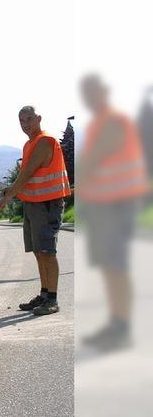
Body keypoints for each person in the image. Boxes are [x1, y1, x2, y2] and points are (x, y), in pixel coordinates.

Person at [77, 75, 149, 350]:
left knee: (116, 266)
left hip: (118, 203)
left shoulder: (114, 120)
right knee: (109, 267)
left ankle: (122, 327)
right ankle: (117, 322)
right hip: (104, 204)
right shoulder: (98, 122)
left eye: (92, 92)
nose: (89, 98)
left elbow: (97, 157)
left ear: (104, 92)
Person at [0, 106, 71, 315]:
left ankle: (52, 300)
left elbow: (28, 173)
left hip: (47, 204)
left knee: (47, 251)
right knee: (39, 252)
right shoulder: (29, 144)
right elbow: (25, 176)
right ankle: (44, 294)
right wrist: (10, 190)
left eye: (29, 119)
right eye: (21, 121)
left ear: (39, 118)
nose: (26, 124)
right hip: (34, 204)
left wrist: (8, 198)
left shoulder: (45, 141)